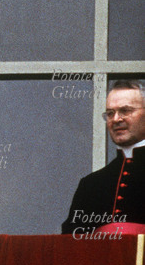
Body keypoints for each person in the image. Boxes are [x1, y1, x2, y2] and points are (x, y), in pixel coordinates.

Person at [62, 80, 145, 234]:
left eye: (125, 110)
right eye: (110, 113)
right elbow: (70, 243)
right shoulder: (91, 185)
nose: (116, 119)